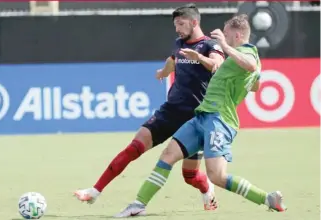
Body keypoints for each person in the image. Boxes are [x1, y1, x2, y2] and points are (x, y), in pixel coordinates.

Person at [114, 14, 287, 218]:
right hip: (202, 115)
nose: (222, 37)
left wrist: (225, 46)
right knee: (168, 156)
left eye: (226, 34)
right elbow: (255, 84)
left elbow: (250, 66)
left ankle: (267, 198)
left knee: (217, 176)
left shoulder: (247, 51)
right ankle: (138, 204)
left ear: (238, 35)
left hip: (220, 121)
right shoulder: (238, 58)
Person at [74, 3, 224, 210]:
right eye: (175, 25)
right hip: (170, 111)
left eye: (181, 24)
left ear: (194, 22)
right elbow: (173, 59)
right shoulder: (178, 43)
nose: (177, 29)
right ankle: (94, 191)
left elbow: (216, 64)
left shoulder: (210, 45)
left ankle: (206, 188)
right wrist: (164, 71)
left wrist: (199, 58)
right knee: (134, 147)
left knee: (189, 176)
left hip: (195, 119)